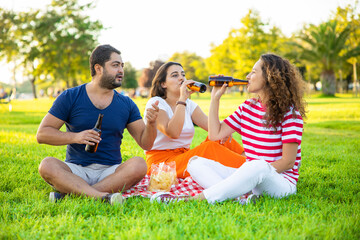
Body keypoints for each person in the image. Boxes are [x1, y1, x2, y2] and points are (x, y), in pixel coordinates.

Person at [151, 54, 307, 204]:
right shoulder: (247, 108)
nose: (247, 76)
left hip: (280, 182)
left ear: (269, 77)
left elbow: (288, 162)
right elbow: (215, 135)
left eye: (253, 72)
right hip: (252, 178)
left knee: (256, 165)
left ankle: (192, 199)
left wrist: (251, 175)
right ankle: (239, 198)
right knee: (195, 163)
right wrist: (215, 99)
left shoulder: (289, 114)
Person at [37, 44, 159, 205]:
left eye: (122, 66)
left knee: (139, 164)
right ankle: (100, 196)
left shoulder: (127, 104)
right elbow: (42, 134)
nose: (121, 70)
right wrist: (76, 137)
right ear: (98, 68)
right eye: (115, 65)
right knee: (47, 165)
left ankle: (76, 193)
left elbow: (146, 143)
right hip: (76, 169)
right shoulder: (70, 96)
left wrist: (151, 124)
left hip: (111, 172)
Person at [144, 62, 246, 179]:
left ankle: (253, 161)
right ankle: (249, 169)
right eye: (175, 75)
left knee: (222, 139)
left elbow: (215, 130)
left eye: (183, 74)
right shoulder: (156, 103)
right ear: (163, 84)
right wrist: (182, 99)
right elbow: (173, 133)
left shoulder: (189, 105)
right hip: (161, 165)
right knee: (208, 149)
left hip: (184, 157)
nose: (181, 78)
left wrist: (215, 96)